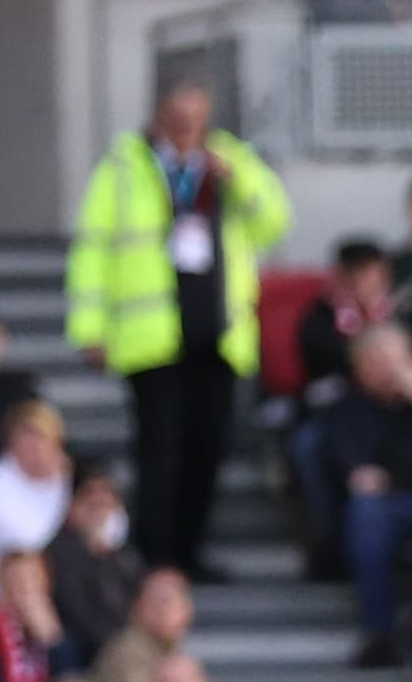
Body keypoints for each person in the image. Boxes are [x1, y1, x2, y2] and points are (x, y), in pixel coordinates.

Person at [66, 83, 290, 576]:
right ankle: (155, 555)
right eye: (179, 116)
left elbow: (273, 223)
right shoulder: (123, 166)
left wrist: (240, 182)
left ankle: (190, 551)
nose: (189, 126)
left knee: (208, 448)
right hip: (152, 337)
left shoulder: (230, 160)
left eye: (197, 116)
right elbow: (92, 250)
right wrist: (90, 328)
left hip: (218, 334)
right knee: (159, 450)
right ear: (160, 115)